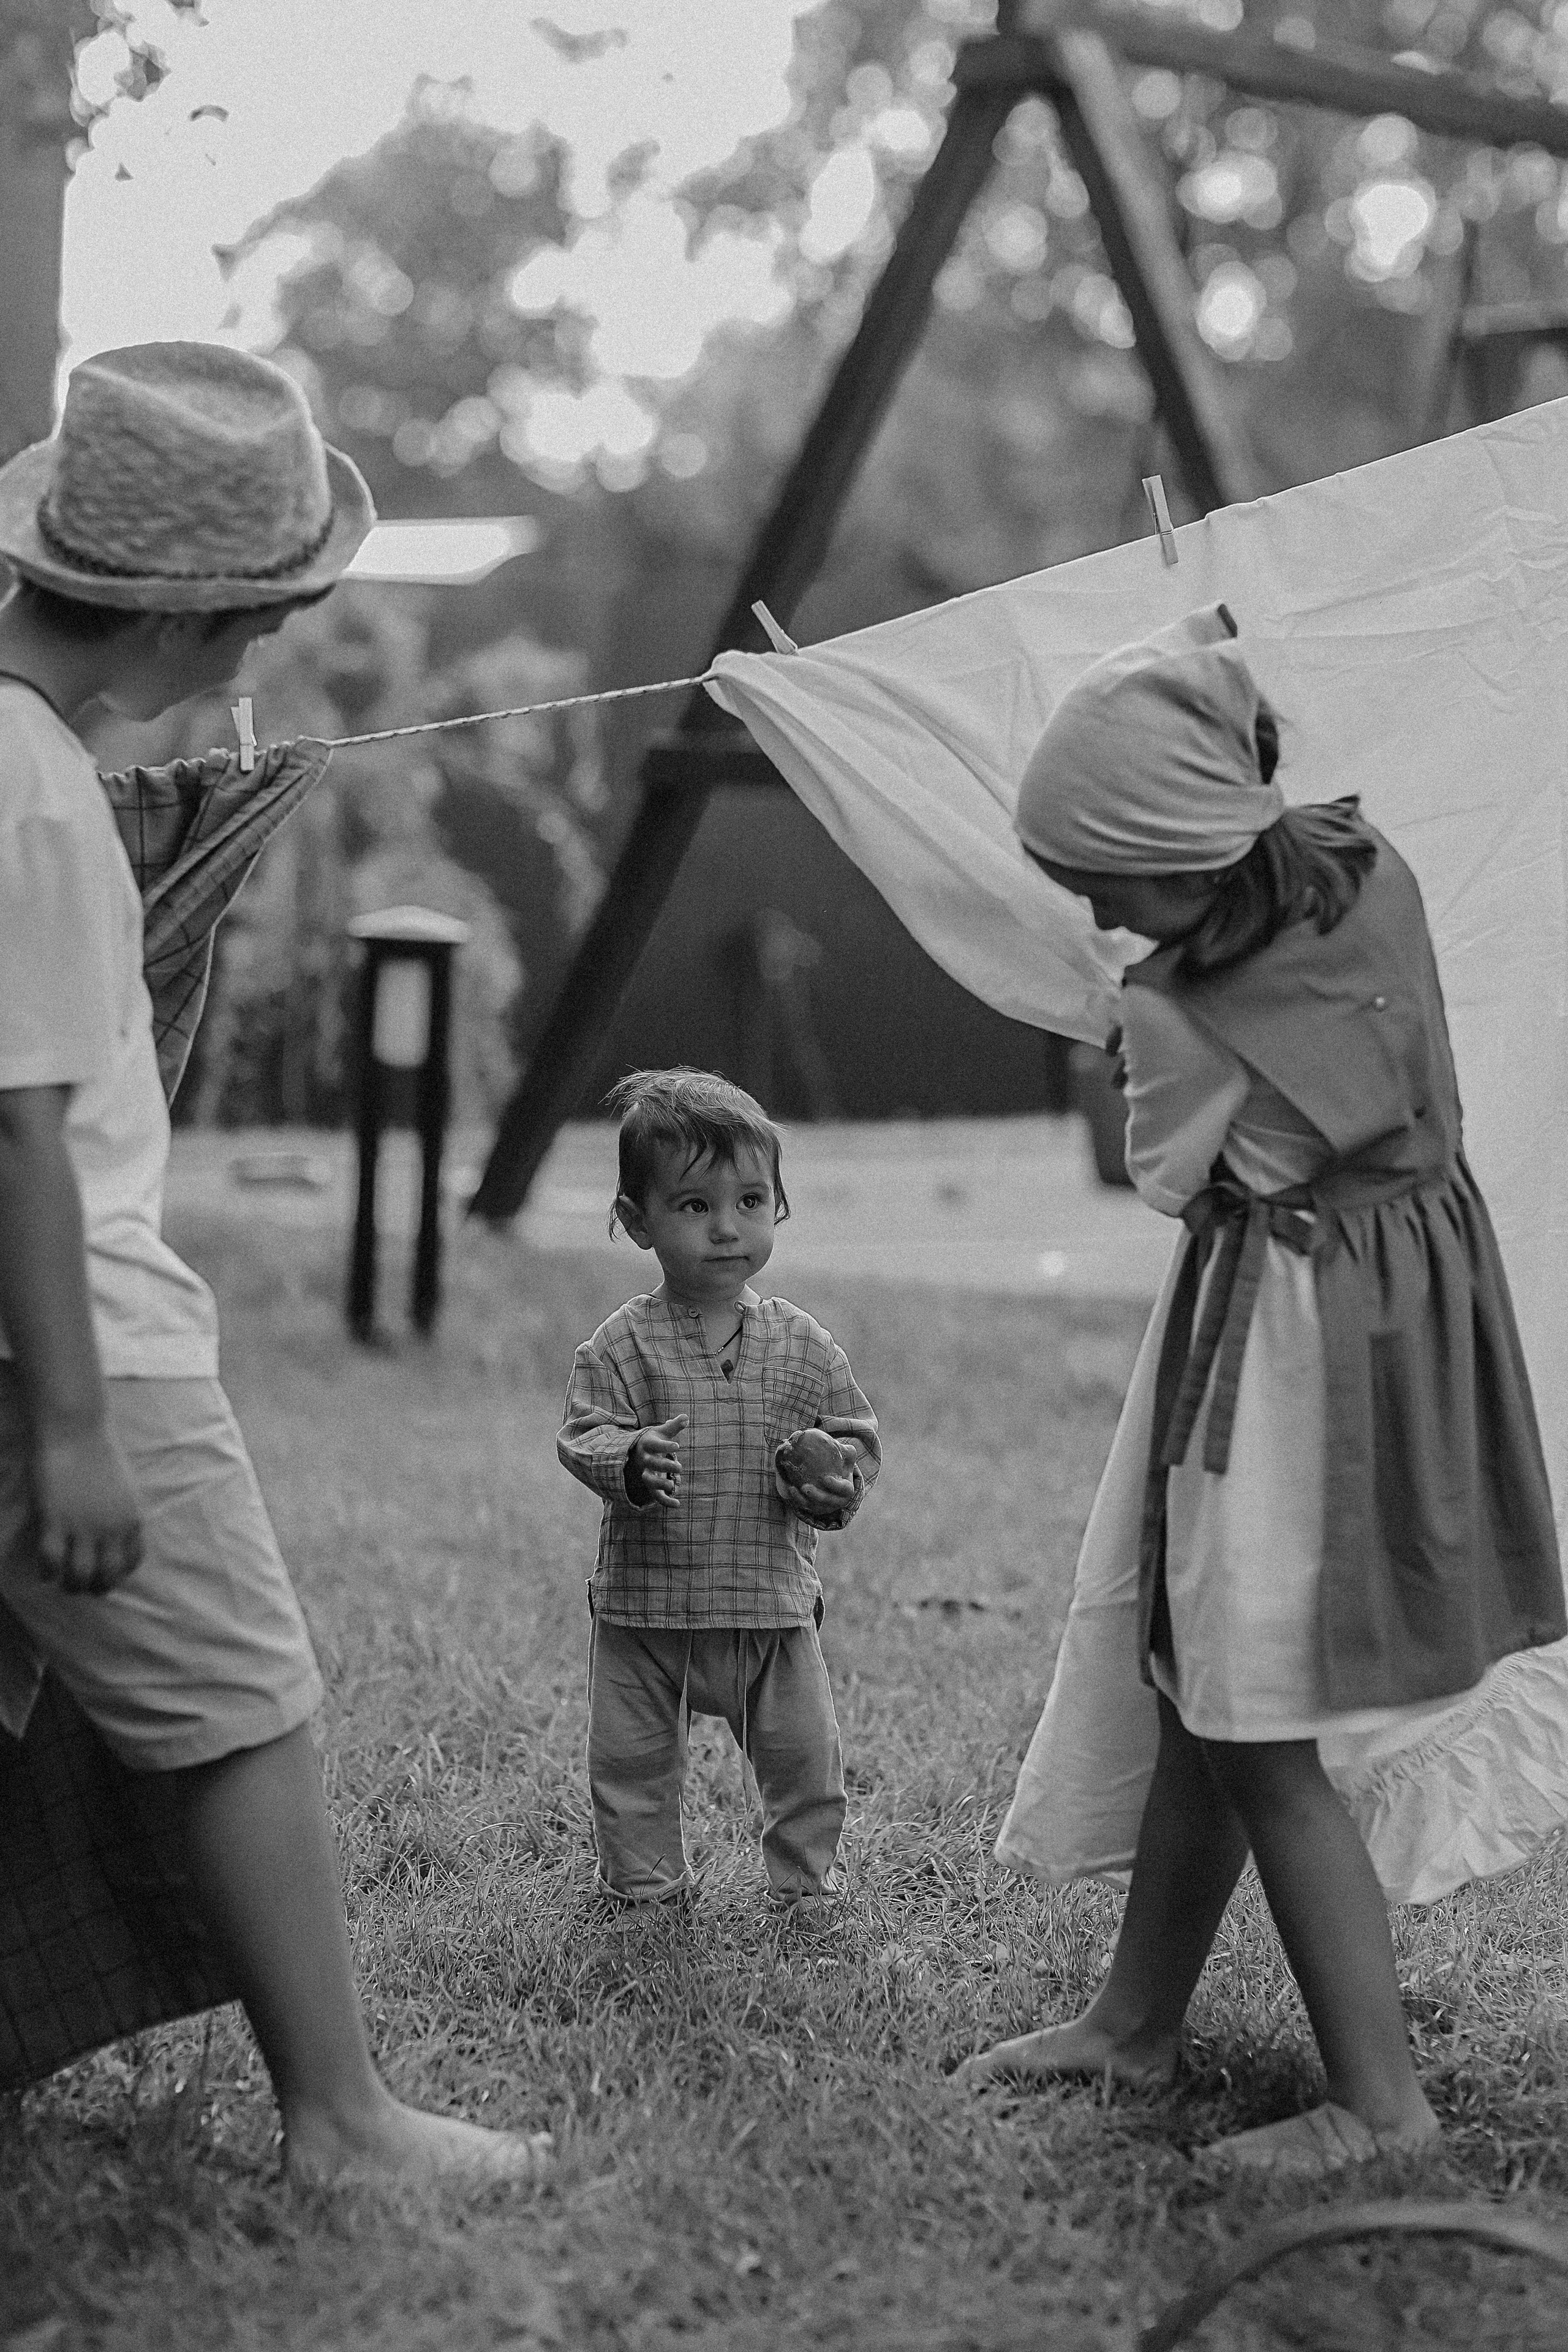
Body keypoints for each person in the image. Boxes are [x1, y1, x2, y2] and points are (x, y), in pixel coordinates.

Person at [0, 341, 548, 2187]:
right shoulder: (35, 797)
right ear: (204, 622)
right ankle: (344, 2121)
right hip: (84, 1354)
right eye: (278, 608)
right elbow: (21, 1131)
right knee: (242, 1700)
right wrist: (76, 1422)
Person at [960, 604, 1564, 2174]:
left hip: (1284, 1367)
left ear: (1175, 853)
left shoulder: (1171, 1009)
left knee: (1258, 1726)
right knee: (1207, 1691)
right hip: (1402, 1317)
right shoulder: (1367, 869)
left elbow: (1167, 1176)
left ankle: (1380, 2106)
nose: (1087, 908)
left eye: (1093, 876)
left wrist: (1126, 1039)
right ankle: (1134, 2022)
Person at [557, 1068, 880, 1909]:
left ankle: (805, 1884)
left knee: (805, 1757)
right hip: (645, 1610)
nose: (726, 1228)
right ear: (637, 1222)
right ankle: (644, 1883)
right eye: (695, 1206)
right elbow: (583, 1431)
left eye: (750, 1201)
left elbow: (854, 1438)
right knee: (629, 1761)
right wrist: (625, 1459)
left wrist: (833, 1478)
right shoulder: (622, 1346)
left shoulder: (803, 1346)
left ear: (778, 1205)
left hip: (767, 1605)